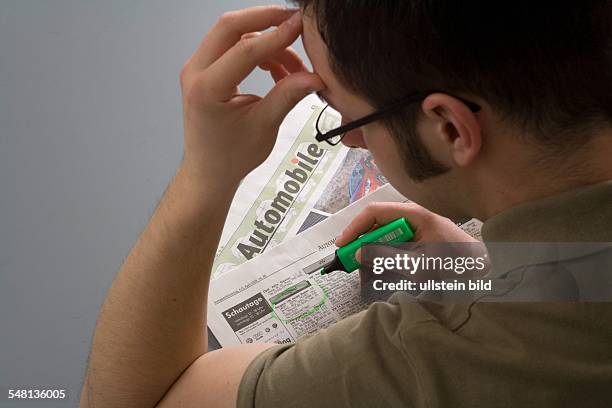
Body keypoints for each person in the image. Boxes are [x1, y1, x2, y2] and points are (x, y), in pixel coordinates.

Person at [80, 2, 612, 407]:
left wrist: (206, 173)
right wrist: (482, 274)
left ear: (448, 127)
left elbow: (138, 399)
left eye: (345, 117)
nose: (353, 142)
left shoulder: (466, 349)